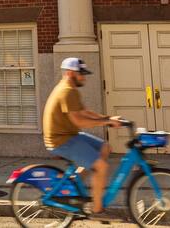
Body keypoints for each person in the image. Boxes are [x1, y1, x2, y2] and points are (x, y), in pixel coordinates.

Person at [43, 57, 125, 221]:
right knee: (101, 167)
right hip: (60, 140)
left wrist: (108, 118)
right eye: (81, 74)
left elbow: (85, 112)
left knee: (105, 148)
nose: (84, 78)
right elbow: (80, 122)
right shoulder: (67, 91)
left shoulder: (71, 89)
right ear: (70, 73)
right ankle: (97, 211)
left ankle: (74, 184)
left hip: (69, 135)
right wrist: (106, 122)